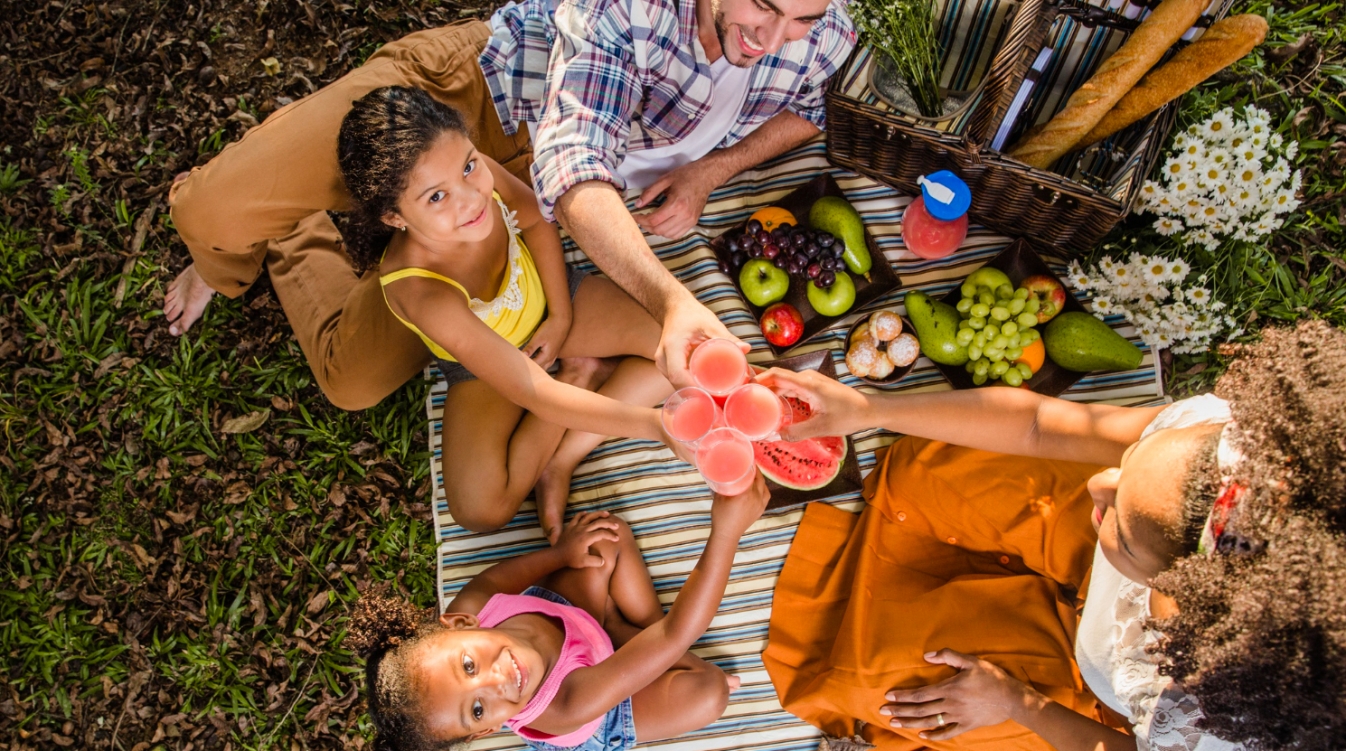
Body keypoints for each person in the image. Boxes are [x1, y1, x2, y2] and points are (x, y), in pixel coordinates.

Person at [163, 0, 855, 409]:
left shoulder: (824, 28)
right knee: (210, 216)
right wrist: (672, 302)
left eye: (800, 18)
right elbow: (573, 157)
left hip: (513, 201)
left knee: (352, 380)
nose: (771, 38)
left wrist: (714, 168)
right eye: (763, 4)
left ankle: (297, 225)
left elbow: (817, 100)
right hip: (465, 105)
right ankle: (230, 254)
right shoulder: (627, 7)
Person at [759, 320, 1346, 751]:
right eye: (1132, 461)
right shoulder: (1216, 446)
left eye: (1121, 519)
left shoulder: (1205, 715)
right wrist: (869, 409)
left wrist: (1016, 703)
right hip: (1105, 557)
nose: (1100, 485)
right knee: (920, 466)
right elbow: (1039, 425)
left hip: (1080, 684)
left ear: (1188, 597)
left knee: (873, 680)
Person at [337, 85, 671, 535]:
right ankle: (580, 374)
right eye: (436, 197)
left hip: (551, 301)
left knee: (675, 348)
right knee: (481, 510)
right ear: (394, 217)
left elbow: (534, 219)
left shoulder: (479, 176)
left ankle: (562, 458)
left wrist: (561, 316)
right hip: (485, 368)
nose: (471, 199)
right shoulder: (421, 291)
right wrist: (658, 426)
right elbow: (528, 388)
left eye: (469, 166)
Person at [347, 477, 771, 751]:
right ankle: (627, 635)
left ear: (460, 623)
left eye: (469, 665)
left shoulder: (471, 605)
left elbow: (498, 580)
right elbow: (676, 634)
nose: (495, 682)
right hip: (604, 709)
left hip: (567, 619)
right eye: (477, 710)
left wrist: (560, 554)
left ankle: (627, 635)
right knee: (710, 692)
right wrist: (727, 530)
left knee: (604, 537)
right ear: (486, 731)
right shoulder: (565, 707)